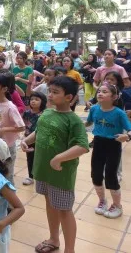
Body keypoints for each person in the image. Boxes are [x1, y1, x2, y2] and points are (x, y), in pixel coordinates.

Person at [21, 76, 89, 253]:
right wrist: (26, 141)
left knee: (65, 210)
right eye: (49, 91)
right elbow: (39, 131)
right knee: (50, 203)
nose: (49, 95)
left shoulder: (73, 121)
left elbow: (82, 146)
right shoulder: (48, 113)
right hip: (43, 171)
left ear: (69, 97)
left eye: (55, 92)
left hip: (61, 174)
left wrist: (59, 158)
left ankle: (70, 249)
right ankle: (54, 239)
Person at [85, 83, 131, 219]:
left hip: (113, 144)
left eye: (104, 92)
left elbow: (129, 129)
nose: (100, 93)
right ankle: (102, 201)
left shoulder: (119, 113)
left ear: (114, 96)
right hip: (98, 142)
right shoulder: (94, 109)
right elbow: (88, 123)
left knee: (111, 176)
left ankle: (117, 206)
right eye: (99, 91)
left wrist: (127, 136)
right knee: (96, 174)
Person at [22, 92, 47, 186]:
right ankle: (31, 177)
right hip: (29, 140)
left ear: (43, 102)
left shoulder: (44, 115)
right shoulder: (27, 113)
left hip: (40, 141)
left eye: (37, 100)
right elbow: (25, 124)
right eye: (32, 99)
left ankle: (42, 175)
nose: (33, 101)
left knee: (41, 158)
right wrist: (24, 136)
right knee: (30, 158)